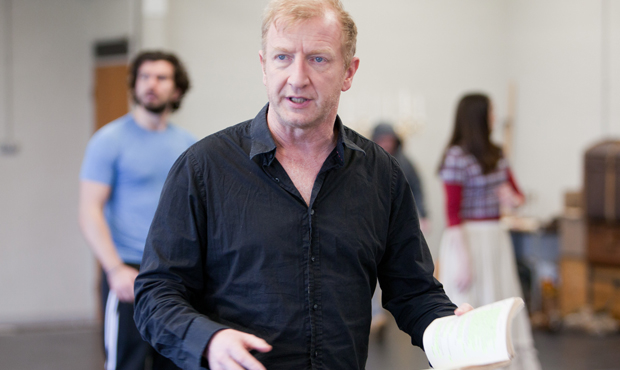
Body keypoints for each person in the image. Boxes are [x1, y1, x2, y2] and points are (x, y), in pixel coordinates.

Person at [133, 2, 469, 370]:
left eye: (318, 59)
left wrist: (451, 332)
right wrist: (208, 340)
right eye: (282, 57)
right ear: (263, 66)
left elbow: (415, 290)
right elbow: (156, 296)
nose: (297, 77)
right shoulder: (203, 169)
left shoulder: (382, 176)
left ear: (348, 72)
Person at [79, 50, 196, 370]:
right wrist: (115, 269)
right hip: (128, 272)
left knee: (174, 361)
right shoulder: (109, 141)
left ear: (176, 89)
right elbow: (90, 210)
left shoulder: (189, 146)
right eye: (144, 77)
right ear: (134, 85)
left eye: (161, 77)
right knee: (126, 363)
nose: (151, 84)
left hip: (174, 273)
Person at [437, 93, 542, 370]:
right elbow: (452, 214)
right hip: (467, 240)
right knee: (468, 303)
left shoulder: (497, 154)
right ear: (478, 116)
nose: (495, 117)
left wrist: (512, 199)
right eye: (491, 111)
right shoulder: (456, 156)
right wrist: (464, 262)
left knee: (500, 299)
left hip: (495, 238)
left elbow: (518, 197)